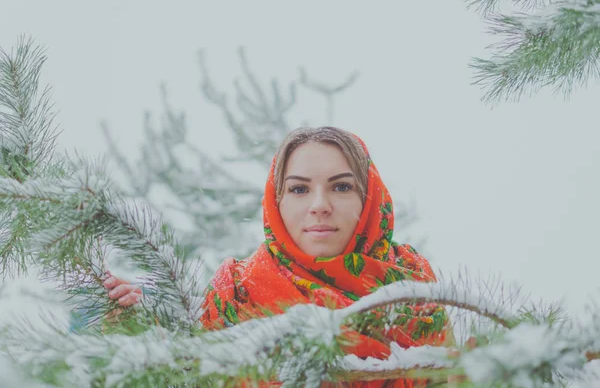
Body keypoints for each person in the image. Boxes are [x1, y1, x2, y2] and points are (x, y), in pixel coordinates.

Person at [104, 126, 458, 387]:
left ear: (370, 199)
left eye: (341, 186)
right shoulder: (238, 294)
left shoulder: (413, 289)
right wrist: (134, 331)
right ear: (277, 202)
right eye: (300, 189)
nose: (320, 206)